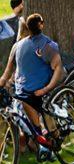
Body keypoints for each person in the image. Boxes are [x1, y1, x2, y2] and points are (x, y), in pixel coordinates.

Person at [0, 13, 65, 141]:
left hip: (31, 90)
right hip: (35, 89)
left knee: (33, 106)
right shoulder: (47, 45)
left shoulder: (18, 46)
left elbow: (7, 71)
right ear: (41, 25)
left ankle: (47, 134)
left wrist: (2, 82)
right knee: (32, 108)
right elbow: (57, 68)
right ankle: (45, 135)